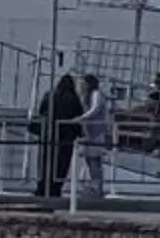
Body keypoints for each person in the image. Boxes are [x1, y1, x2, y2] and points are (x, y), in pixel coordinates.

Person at [77, 72, 114, 204]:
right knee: (89, 160)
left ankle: (97, 187)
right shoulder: (85, 96)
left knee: (94, 161)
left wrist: (81, 118)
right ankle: (95, 186)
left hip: (96, 133)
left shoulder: (96, 94)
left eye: (82, 83)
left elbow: (95, 109)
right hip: (89, 132)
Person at [48, 64, 84, 199]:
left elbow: (42, 111)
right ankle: (57, 189)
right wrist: (79, 133)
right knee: (63, 165)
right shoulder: (74, 99)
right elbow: (78, 117)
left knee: (50, 162)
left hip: (51, 135)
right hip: (67, 136)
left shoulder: (52, 96)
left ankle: (47, 187)